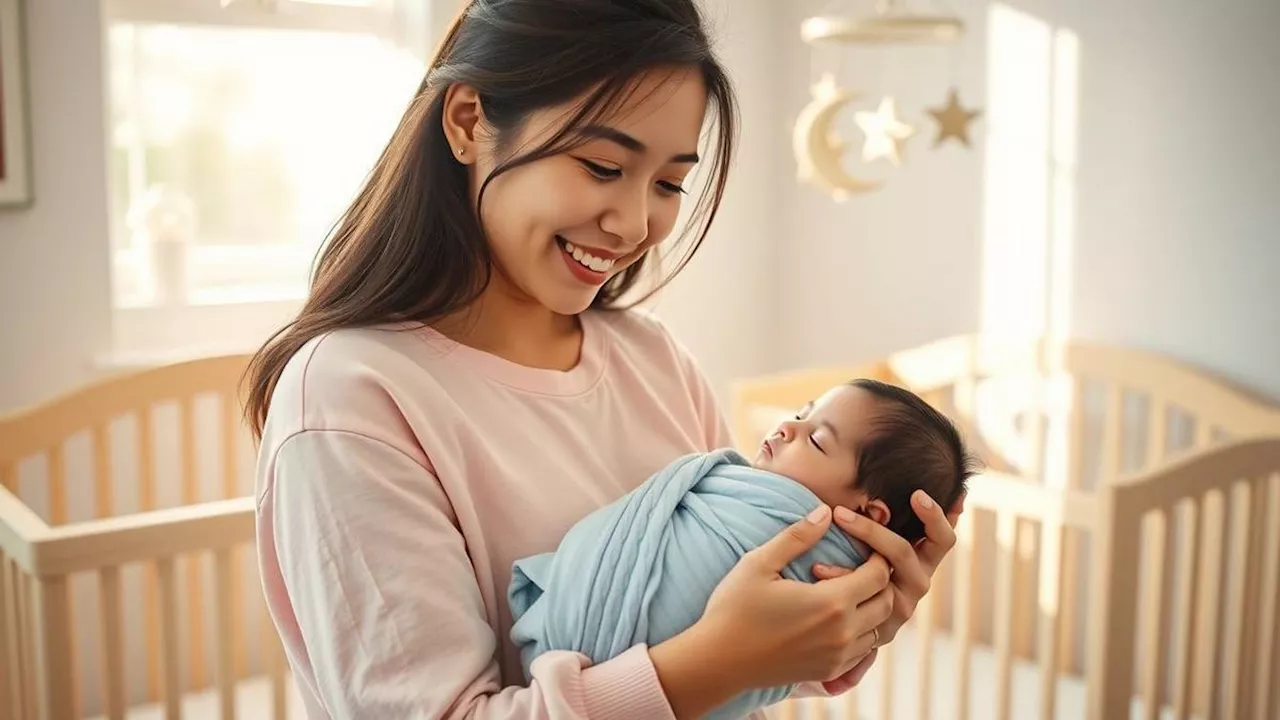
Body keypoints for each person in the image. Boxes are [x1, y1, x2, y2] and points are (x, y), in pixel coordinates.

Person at [243, 1, 966, 718]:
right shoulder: (353, 398)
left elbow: (726, 621)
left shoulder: (653, 358)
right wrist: (711, 666)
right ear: (468, 122)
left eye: (668, 184)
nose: (633, 223)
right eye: (602, 166)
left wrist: (847, 615)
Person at [507, 379, 978, 720]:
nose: (787, 428)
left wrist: (854, 632)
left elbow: (768, 651)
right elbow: (739, 641)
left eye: (815, 438)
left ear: (870, 514)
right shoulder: (751, 494)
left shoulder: (815, 551)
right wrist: (718, 657)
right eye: (800, 413)